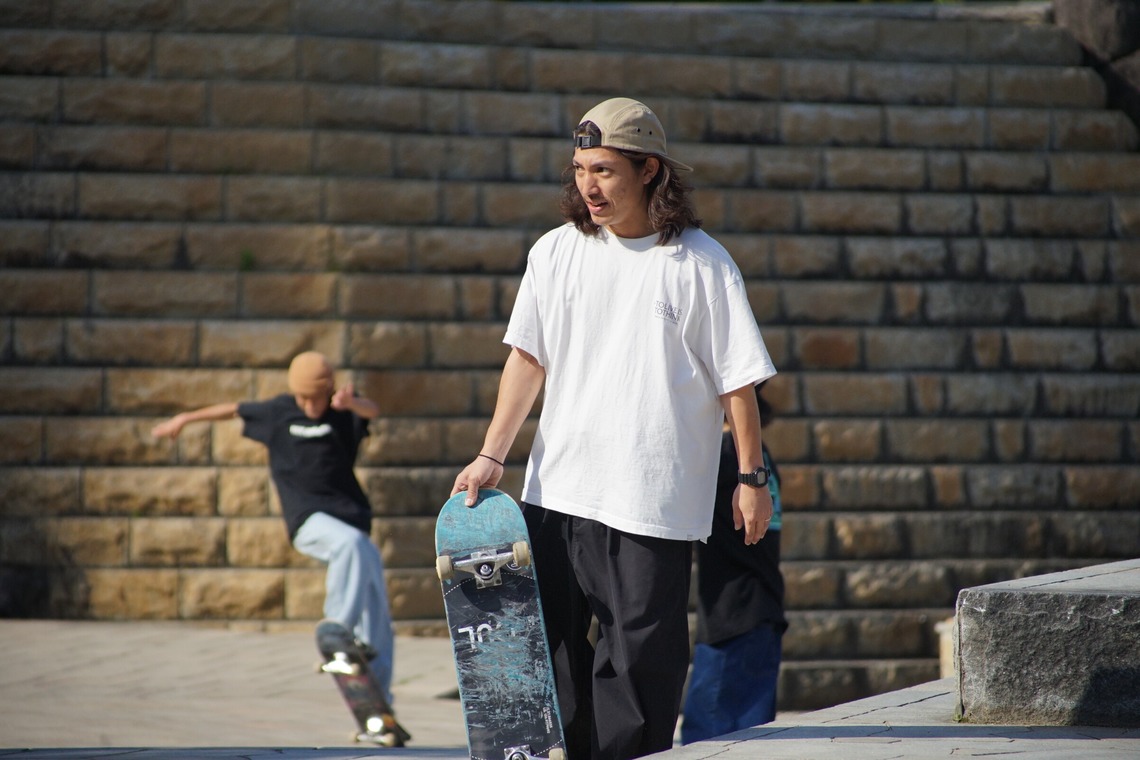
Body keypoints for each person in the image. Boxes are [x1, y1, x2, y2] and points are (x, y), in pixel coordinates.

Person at [451, 97, 777, 760]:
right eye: (579, 169)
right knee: (560, 661)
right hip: (558, 490)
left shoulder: (700, 263)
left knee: (640, 669)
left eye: (603, 169)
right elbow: (526, 361)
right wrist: (493, 454)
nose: (588, 186)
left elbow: (737, 385)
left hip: (650, 502)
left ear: (649, 170)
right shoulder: (555, 252)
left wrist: (750, 478)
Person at [151, 351, 402, 741]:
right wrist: (184, 419)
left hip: (352, 523)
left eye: (315, 399)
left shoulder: (343, 411)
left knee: (378, 611)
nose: (309, 406)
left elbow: (373, 411)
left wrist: (352, 403)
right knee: (352, 547)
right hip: (309, 520)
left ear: (331, 391)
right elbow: (231, 409)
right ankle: (337, 627)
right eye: (302, 399)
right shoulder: (278, 412)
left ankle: (379, 711)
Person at [681, 381, 786, 744]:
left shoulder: (725, 456)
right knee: (750, 740)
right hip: (759, 609)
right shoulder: (755, 460)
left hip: (734, 618)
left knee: (709, 742)